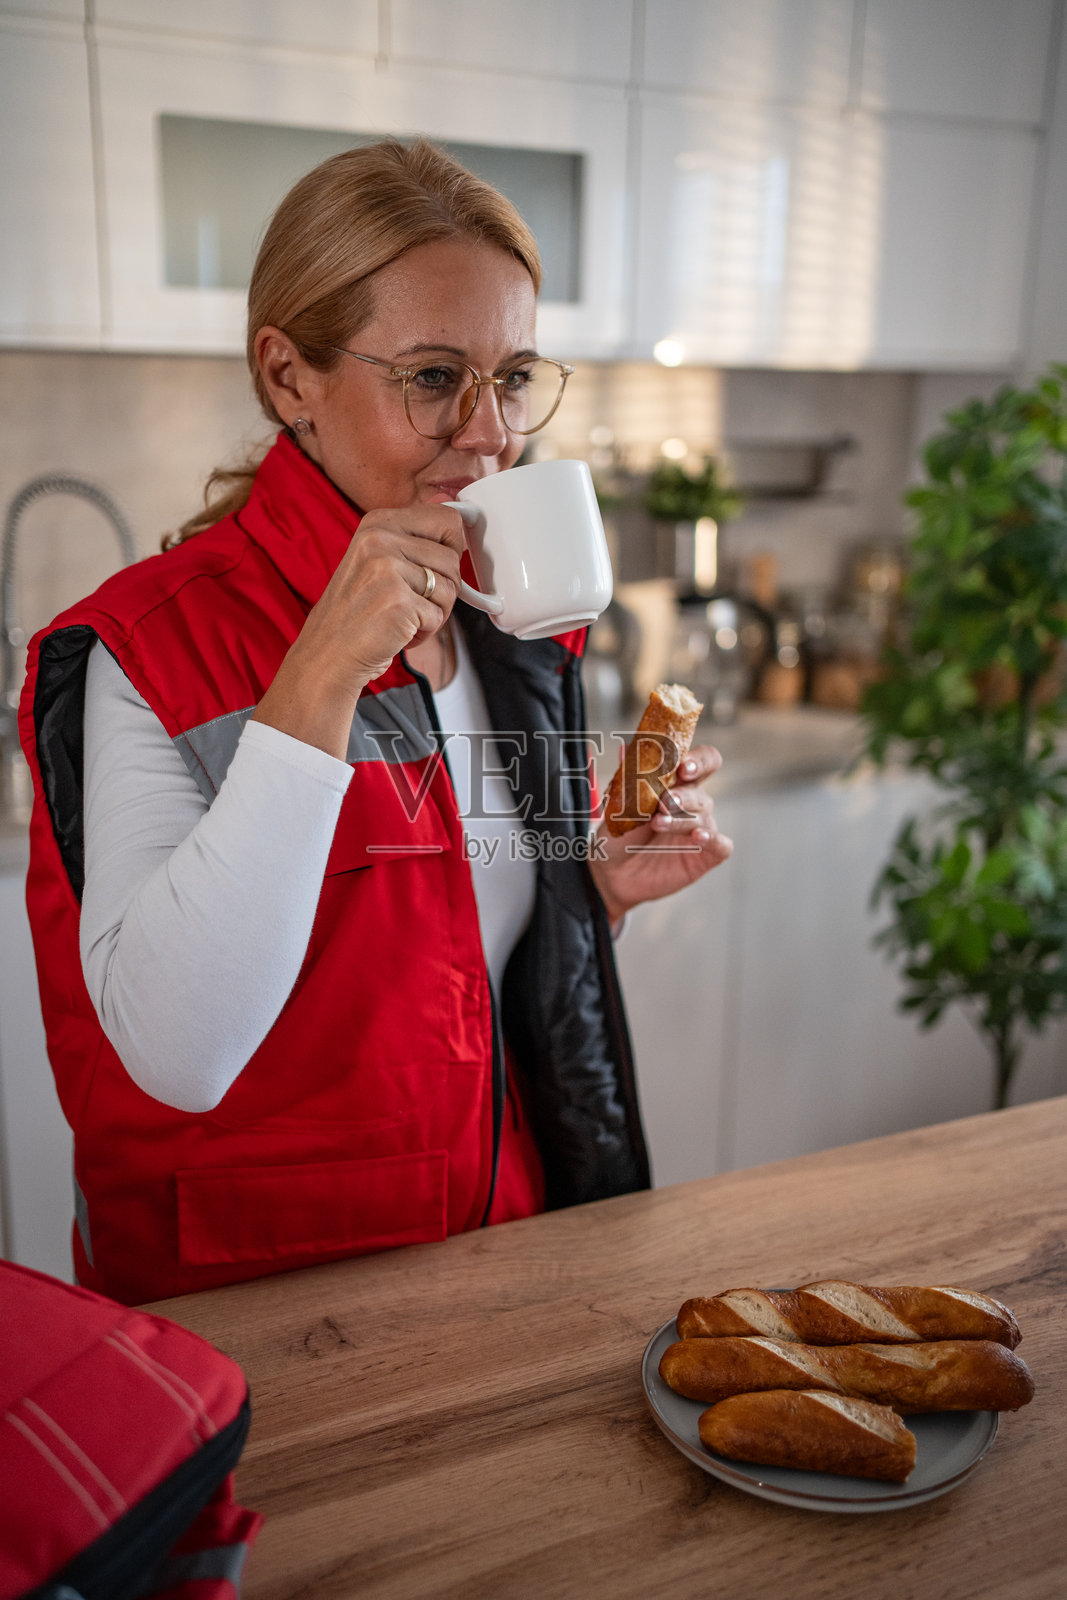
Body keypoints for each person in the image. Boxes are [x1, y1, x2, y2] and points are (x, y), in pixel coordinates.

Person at [20, 139, 732, 1306]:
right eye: (434, 376)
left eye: (510, 377)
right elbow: (177, 1057)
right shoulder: (146, 648)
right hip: (258, 1312)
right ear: (288, 376)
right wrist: (320, 671)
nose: (492, 433)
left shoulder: (510, 615)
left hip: (495, 1259)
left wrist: (590, 893)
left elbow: (449, 962)